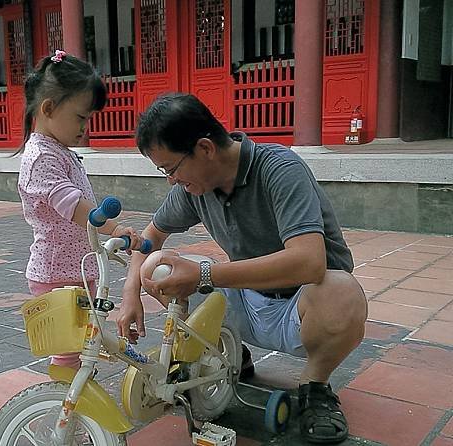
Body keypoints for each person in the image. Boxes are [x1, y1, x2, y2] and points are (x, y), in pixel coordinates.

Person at [117, 93, 368, 444]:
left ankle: (315, 388)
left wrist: (203, 274)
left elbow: (310, 262)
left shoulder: (280, 168)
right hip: (249, 299)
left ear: (205, 149)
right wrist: (131, 295)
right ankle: (232, 354)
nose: (170, 180)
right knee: (158, 266)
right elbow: (150, 238)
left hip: (306, 305)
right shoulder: (194, 187)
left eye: (170, 168)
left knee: (342, 291)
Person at [18, 50, 143, 369]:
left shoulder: (58, 149)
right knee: (68, 350)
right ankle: (66, 407)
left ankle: (73, 397)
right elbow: (72, 204)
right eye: (80, 117)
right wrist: (114, 229)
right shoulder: (41, 157)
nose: (85, 127)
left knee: (83, 341)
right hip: (57, 271)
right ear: (48, 108)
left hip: (78, 267)